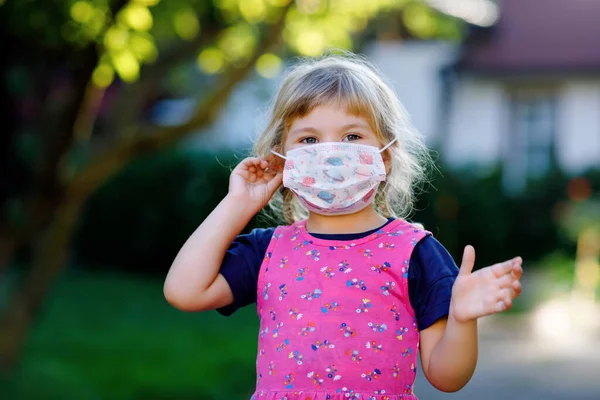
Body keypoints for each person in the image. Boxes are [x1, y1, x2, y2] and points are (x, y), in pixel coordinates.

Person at [164, 53, 523, 400]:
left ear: (384, 153)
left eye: (352, 136)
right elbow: (184, 291)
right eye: (309, 140)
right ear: (283, 159)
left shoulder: (415, 252)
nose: (332, 153)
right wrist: (237, 204)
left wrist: (461, 319)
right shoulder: (268, 250)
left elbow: (447, 378)